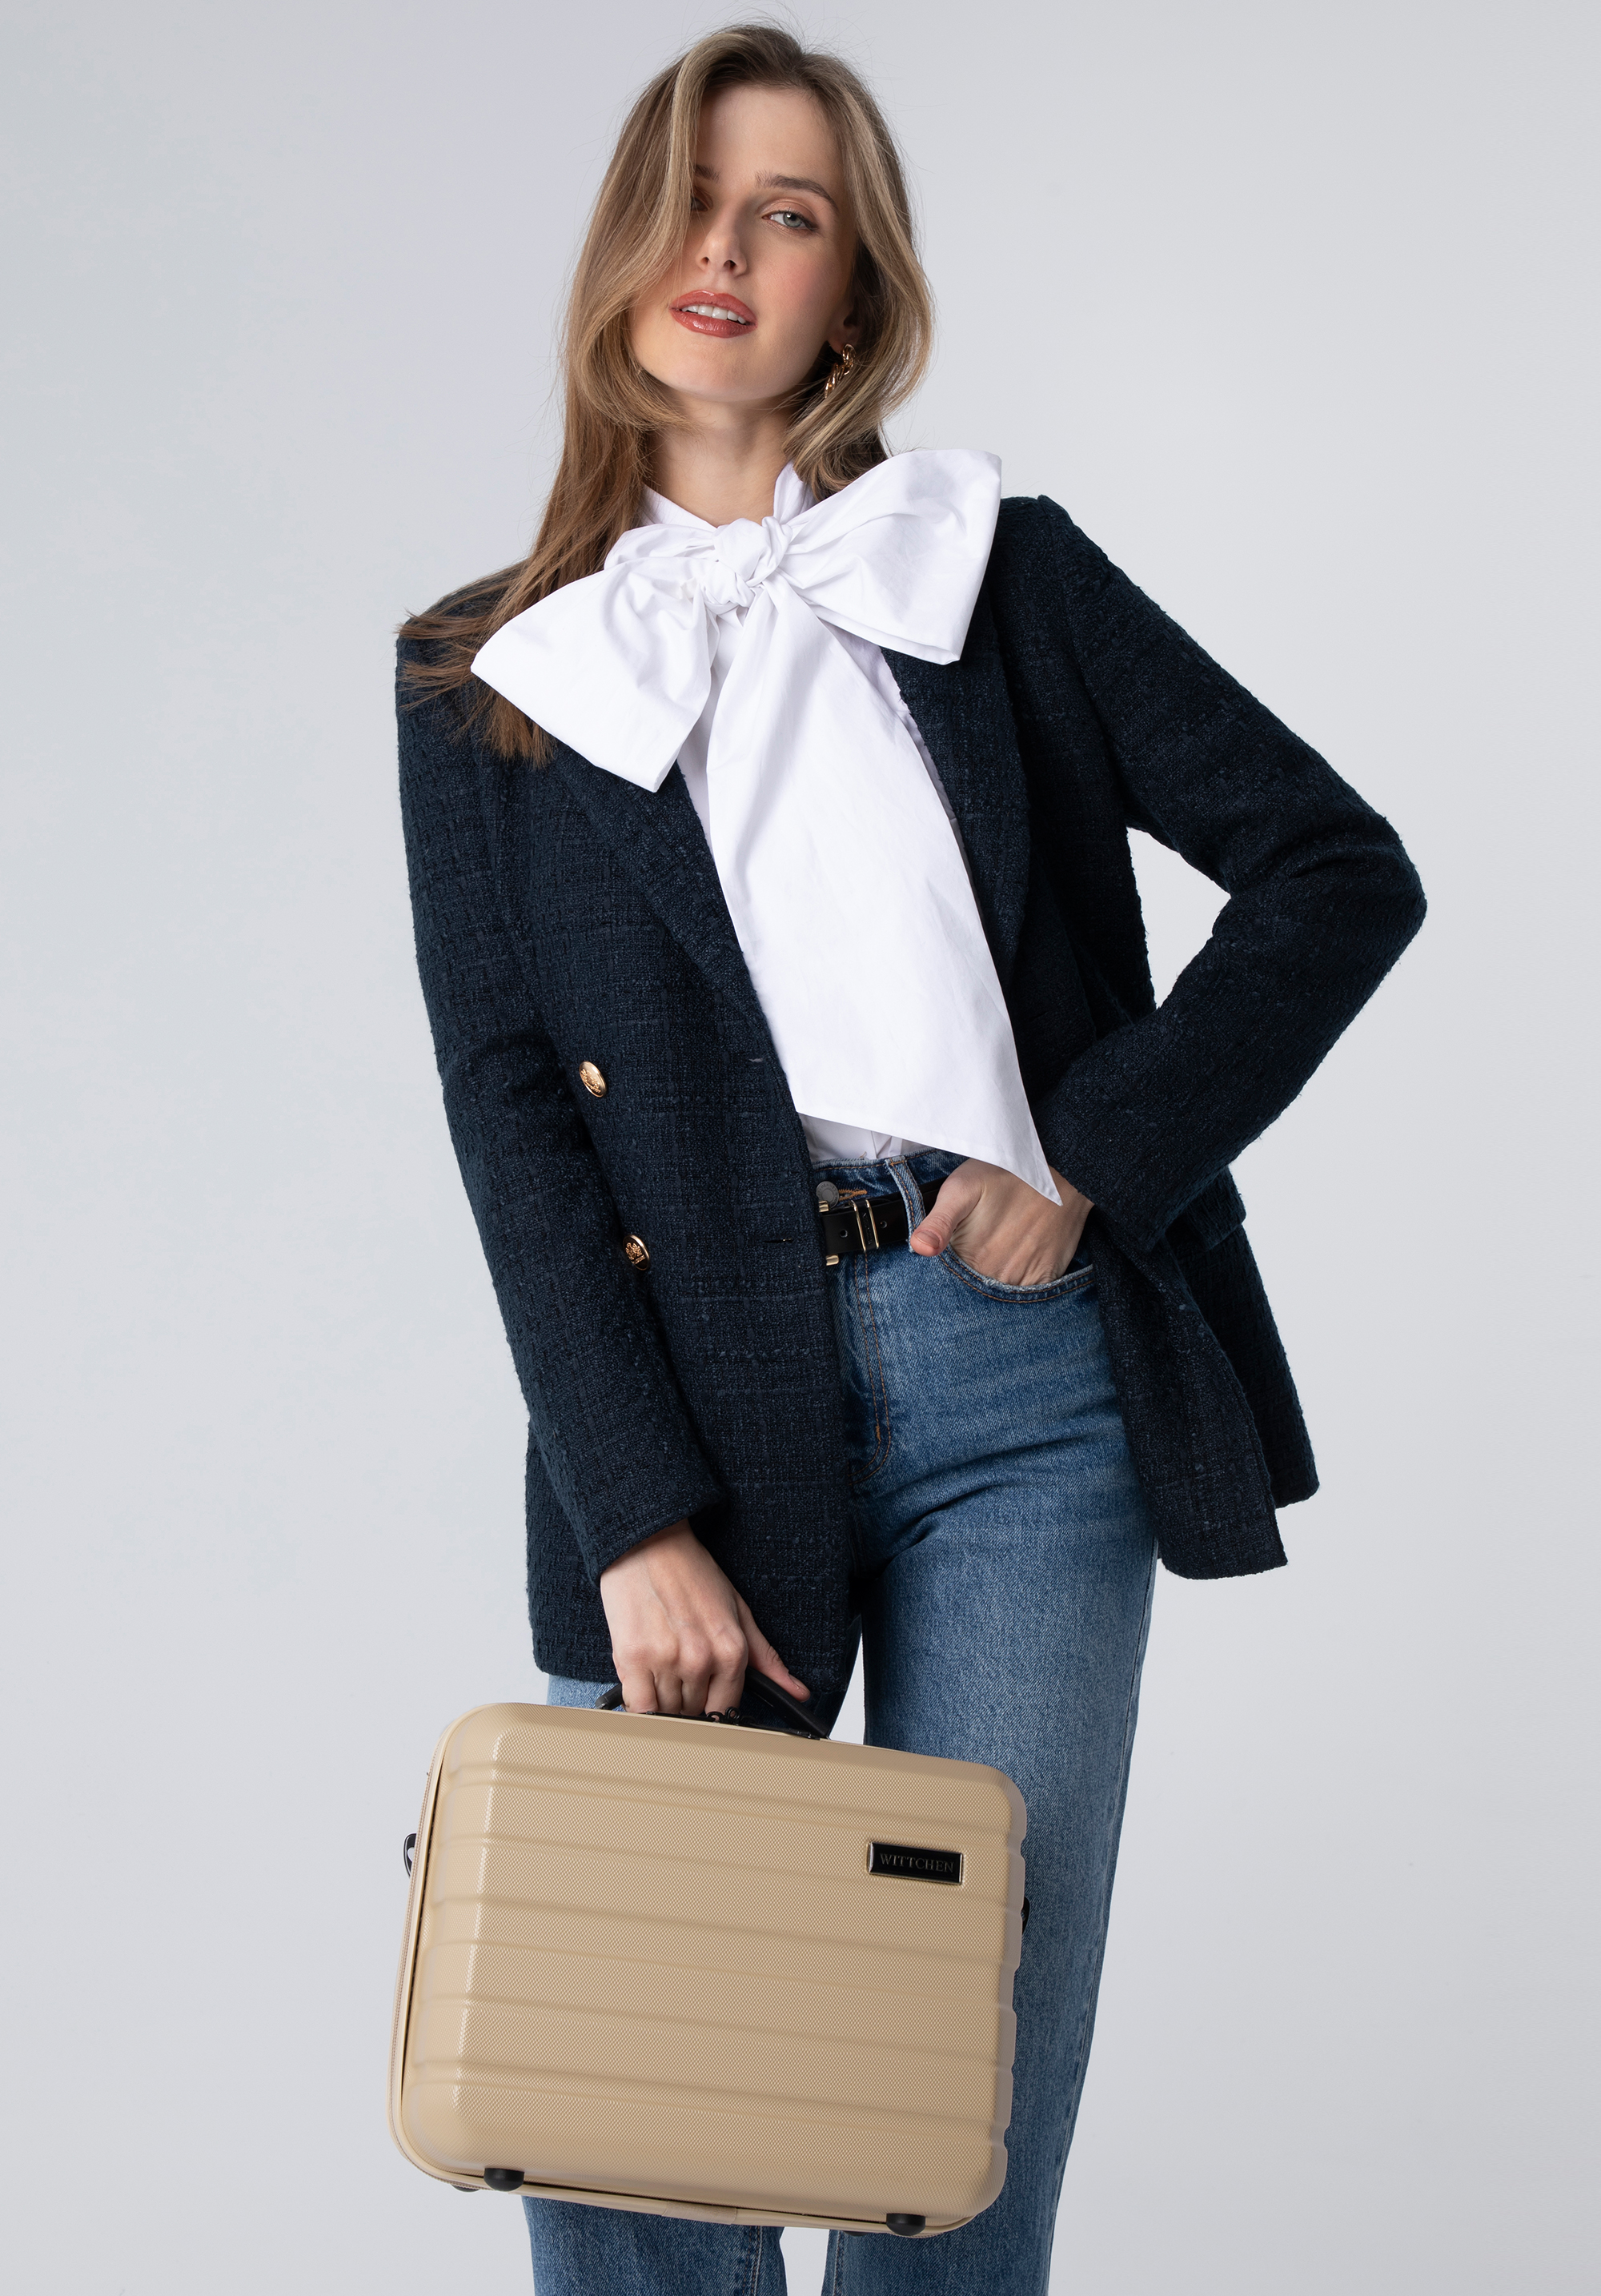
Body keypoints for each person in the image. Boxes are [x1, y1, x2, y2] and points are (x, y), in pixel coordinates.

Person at [396, 24, 1424, 2294]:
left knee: (955, 2085)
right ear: (623, 245)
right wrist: (635, 1515)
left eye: (789, 212)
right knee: (636, 2079)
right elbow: (508, 1113)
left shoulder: (996, 572)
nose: (726, 251)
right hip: (685, 1403)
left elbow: (1337, 868)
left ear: (852, 282)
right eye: (691, 199)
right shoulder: (488, 673)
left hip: (1022, 1388)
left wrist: (1095, 1154)